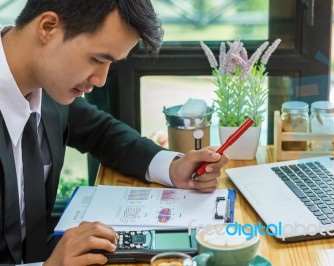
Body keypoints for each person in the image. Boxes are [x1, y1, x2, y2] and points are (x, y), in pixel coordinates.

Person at [0, 0, 228, 265]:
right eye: (97, 59)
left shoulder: (46, 84)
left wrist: (173, 167)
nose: (100, 80)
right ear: (48, 27)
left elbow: (101, 132)